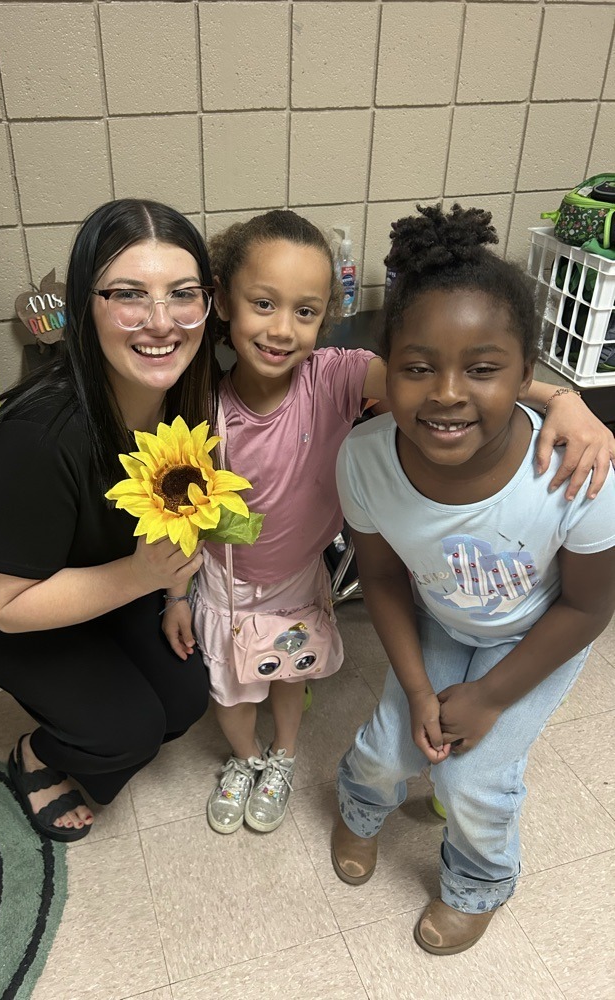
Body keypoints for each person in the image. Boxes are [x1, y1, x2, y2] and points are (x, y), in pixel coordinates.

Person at [161, 208, 615, 837]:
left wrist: (567, 399)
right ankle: (244, 761)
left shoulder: (336, 376)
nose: (281, 329)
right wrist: (175, 592)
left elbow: (438, 377)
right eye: (263, 303)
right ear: (224, 303)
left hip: (298, 579)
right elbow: (171, 509)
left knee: (289, 673)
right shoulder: (196, 400)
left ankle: (284, 755)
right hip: (221, 579)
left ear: (327, 317)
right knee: (229, 687)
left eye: (305, 311)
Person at [332, 203, 615, 955]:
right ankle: (360, 809)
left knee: (472, 782)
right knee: (392, 743)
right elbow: (383, 579)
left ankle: (479, 881)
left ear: (529, 375)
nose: (448, 391)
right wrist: (422, 691)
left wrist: (489, 697)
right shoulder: (364, 460)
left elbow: (590, 605)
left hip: (541, 630)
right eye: (418, 367)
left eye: (483, 369)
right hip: (436, 616)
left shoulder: (575, 475)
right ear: (386, 369)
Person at [0, 199, 219, 842]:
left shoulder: (186, 391)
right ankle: (37, 755)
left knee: (186, 697)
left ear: (207, 304)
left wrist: (175, 593)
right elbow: (8, 605)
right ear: (85, 307)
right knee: (123, 731)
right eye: (129, 295)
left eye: (182, 295)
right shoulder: (39, 437)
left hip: (100, 562)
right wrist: (139, 578)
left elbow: (176, 509)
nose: (162, 323)